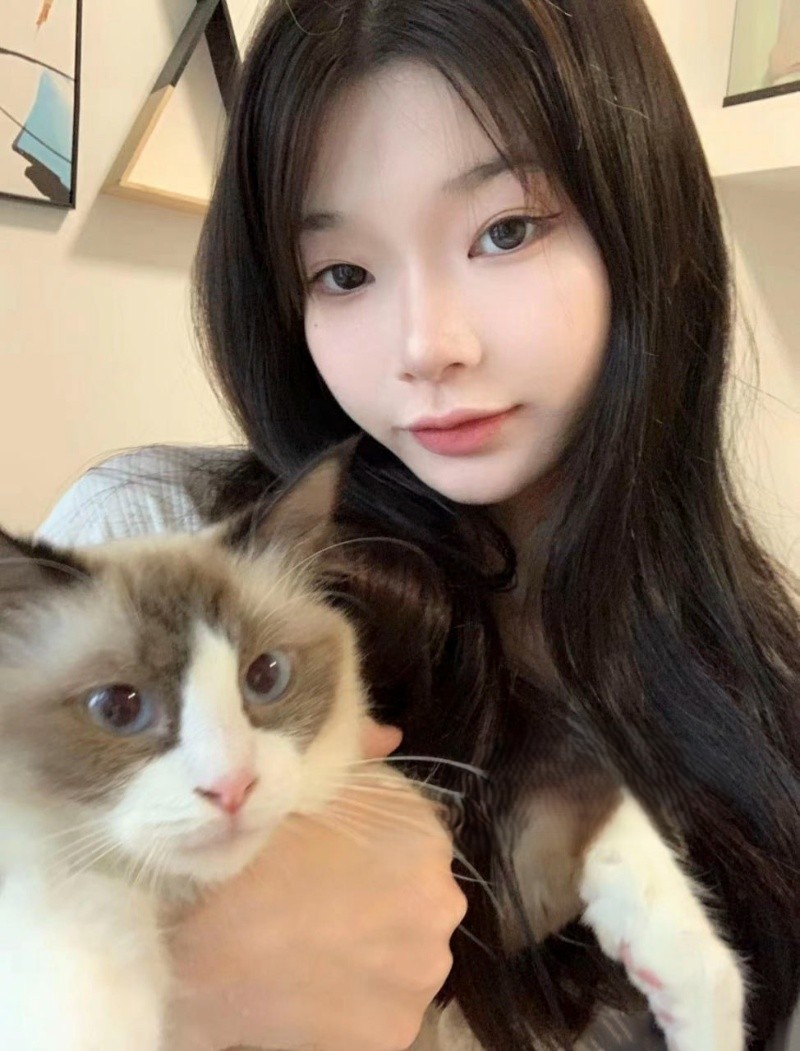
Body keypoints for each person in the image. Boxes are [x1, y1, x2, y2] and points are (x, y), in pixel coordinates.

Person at [39, 0, 800, 1049]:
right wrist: (200, 996)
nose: (424, 346)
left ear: (645, 224)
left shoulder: (753, 677)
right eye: (343, 274)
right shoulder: (150, 545)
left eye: (505, 231)